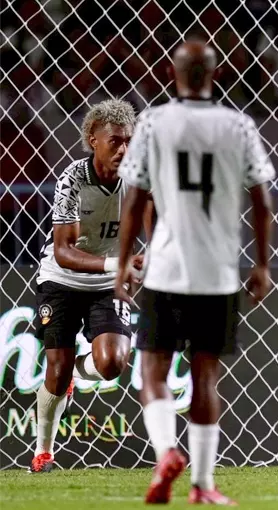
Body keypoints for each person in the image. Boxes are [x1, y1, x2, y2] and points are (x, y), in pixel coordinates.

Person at [115, 39, 274, 504]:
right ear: (216, 74)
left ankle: (166, 451)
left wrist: (125, 259)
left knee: (153, 369)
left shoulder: (153, 122)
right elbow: (263, 201)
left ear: (174, 73)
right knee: (206, 377)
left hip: (166, 268)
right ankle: (203, 484)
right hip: (219, 272)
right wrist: (262, 264)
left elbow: (135, 199)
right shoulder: (238, 125)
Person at [30, 99, 142, 473]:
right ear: (93, 140)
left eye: (128, 140)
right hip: (61, 280)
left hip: (108, 282)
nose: (123, 149)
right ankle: (43, 451)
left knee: (112, 364)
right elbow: (63, 252)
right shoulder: (73, 179)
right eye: (115, 141)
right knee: (55, 374)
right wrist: (119, 264)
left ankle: (78, 373)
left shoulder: (140, 178)